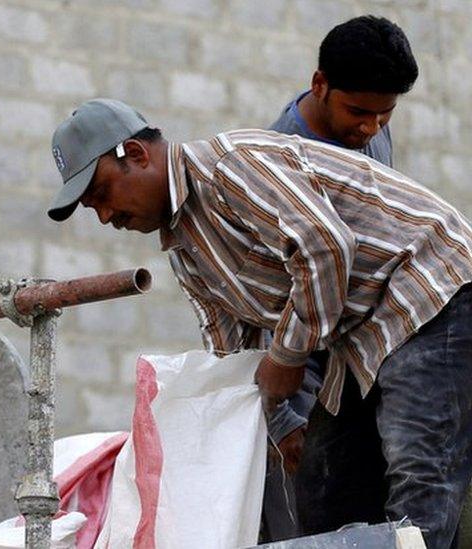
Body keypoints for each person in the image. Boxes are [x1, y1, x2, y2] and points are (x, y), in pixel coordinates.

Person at [47, 97, 472, 548]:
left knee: (418, 472)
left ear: (135, 155)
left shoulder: (232, 165)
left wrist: (286, 356)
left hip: (431, 289)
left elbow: (325, 246)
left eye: (101, 195)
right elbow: (234, 355)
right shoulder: (187, 254)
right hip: (363, 338)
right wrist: (281, 421)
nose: (105, 216)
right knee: (324, 487)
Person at [261, 14, 419, 540]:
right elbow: (270, 304)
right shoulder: (280, 163)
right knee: (315, 527)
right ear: (319, 85)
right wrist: (285, 419)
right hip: (305, 380)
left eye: (384, 114)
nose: (370, 128)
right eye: (358, 112)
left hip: (368, 360)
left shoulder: (369, 124)